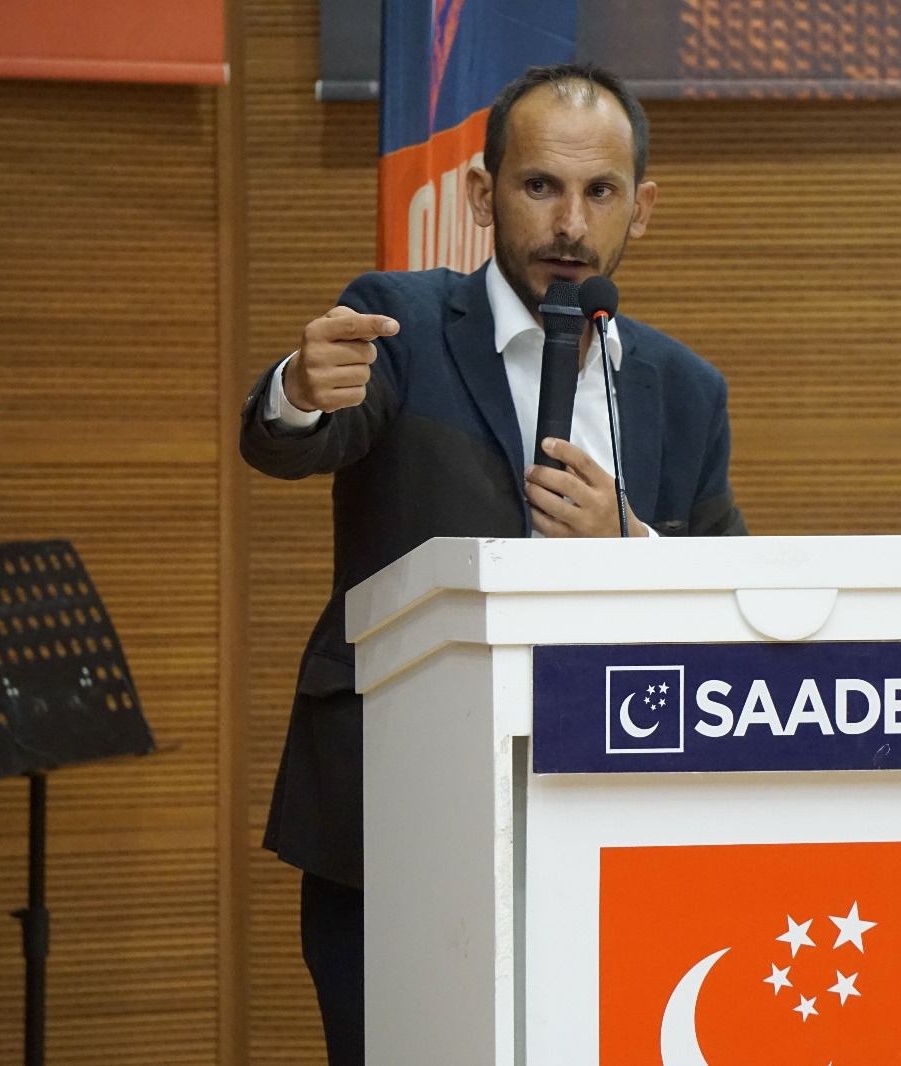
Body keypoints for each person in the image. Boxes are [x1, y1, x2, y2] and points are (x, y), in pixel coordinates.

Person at [238, 63, 746, 1065]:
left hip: (605, 824)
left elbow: (731, 592)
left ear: (641, 210)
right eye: (539, 186)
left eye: (600, 191)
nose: (570, 224)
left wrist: (632, 547)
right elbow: (296, 441)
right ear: (482, 194)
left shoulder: (685, 390)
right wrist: (297, 388)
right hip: (394, 822)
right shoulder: (403, 326)